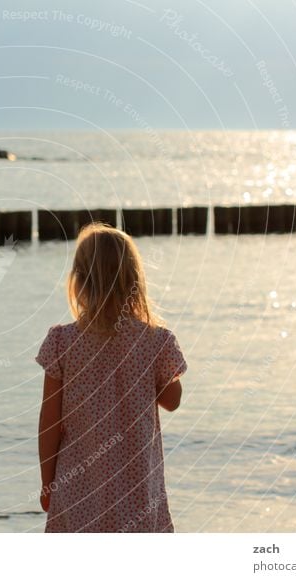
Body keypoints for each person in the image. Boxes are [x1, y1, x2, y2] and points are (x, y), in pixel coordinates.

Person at [35, 222, 187, 532]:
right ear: (135, 280)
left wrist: (47, 483)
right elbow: (172, 401)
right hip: (137, 493)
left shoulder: (62, 343)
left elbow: (49, 422)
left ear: (78, 281)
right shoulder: (154, 343)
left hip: (77, 488)